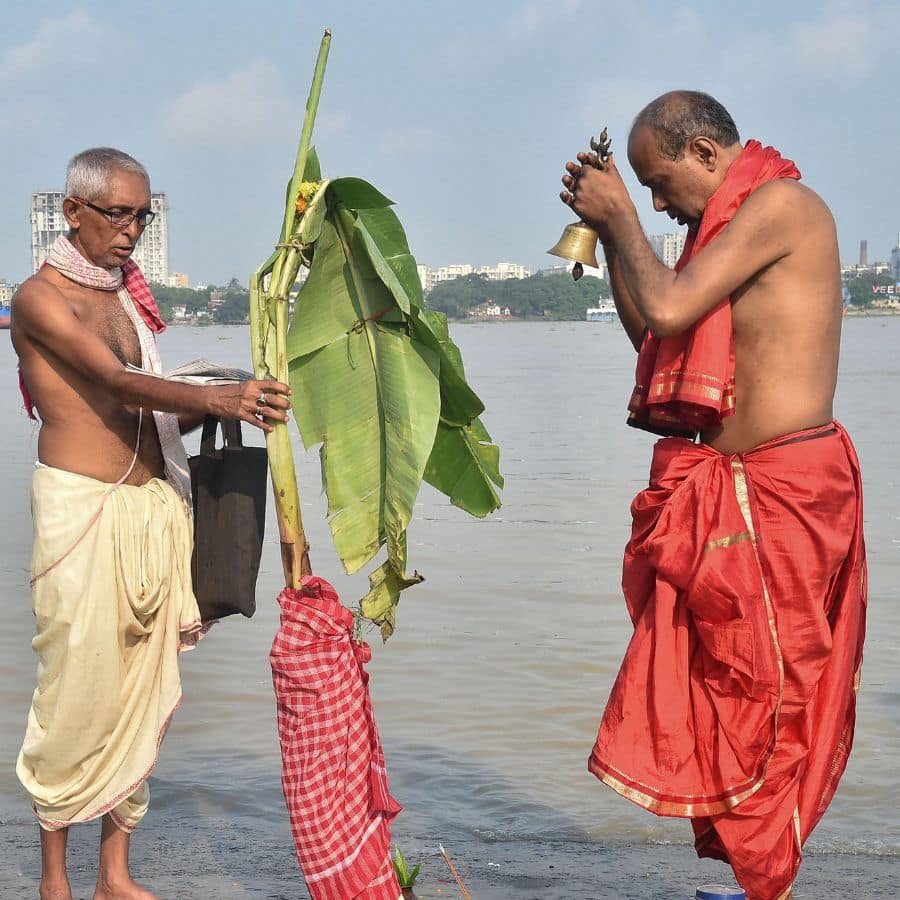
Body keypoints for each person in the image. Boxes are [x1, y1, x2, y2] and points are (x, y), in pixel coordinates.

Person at [560, 92, 867, 900]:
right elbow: (656, 333)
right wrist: (608, 241)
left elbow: (668, 303)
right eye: (646, 193)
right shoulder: (717, 233)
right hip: (731, 492)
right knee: (722, 691)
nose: (659, 202)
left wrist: (623, 217)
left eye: (660, 184)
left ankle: (757, 884)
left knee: (768, 694)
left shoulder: (781, 206)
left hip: (784, 491)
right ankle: (741, 885)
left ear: (703, 152)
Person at [11, 147, 292, 900]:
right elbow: (112, 381)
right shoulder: (42, 300)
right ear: (72, 213)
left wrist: (230, 393)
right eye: (117, 213)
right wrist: (217, 402)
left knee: (140, 689)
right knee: (76, 690)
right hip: (83, 511)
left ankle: (113, 875)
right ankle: (52, 882)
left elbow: (147, 402)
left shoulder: (127, 301)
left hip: (150, 510)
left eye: (143, 214)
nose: (131, 229)